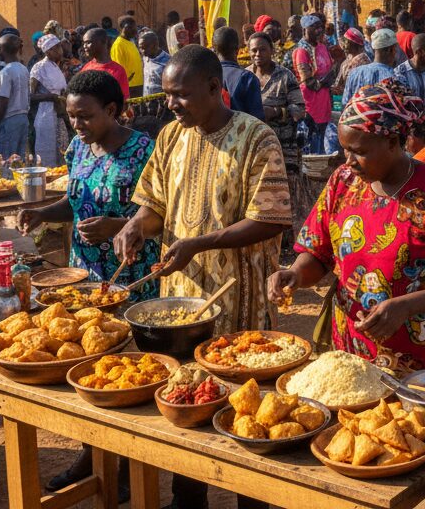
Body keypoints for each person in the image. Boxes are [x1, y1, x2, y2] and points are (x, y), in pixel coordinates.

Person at [115, 47, 290, 509]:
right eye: (168, 94)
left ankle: (250, 500)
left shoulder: (258, 138)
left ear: (215, 89)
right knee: (186, 404)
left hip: (240, 306)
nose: (171, 104)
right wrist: (136, 224)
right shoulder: (171, 136)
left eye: (181, 95)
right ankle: (187, 498)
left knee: (244, 413)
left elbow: (271, 220)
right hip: (179, 304)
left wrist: (200, 242)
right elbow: (154, 204)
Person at [270, 79, 425, 371]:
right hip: (351, 354)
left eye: (359, 151)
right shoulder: (342, 182)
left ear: (393, 142)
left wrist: (407, 305)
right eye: (345, 149)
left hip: (422, 361)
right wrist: (295, 273)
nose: (349, 161)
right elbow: (318, 254)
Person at [16, 70, 162, 498]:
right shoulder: (79, 147)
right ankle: (93, 455)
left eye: (85, 116)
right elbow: (77, 202)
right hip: (87, 279)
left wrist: (118, 225)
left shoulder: (143, 152)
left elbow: (160, 214)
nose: (76, 125)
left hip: (131, 277)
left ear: (113, 111)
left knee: (130, 376)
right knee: (90, 367)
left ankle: (128, 468)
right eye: (71, 116)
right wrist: (45, 212)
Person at [248, 32, 309, 244]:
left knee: (287, 191)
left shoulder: (285, 77)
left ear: (271, 51)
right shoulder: (247, 77)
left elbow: (299, 110)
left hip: (284, 145)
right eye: (253, 50)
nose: (257, 54)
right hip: (256, 147)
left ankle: (291, 240)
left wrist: (275, 112)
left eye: (262, 49)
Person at [293, 15, 335, 153]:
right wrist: (326, 81)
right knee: (311, 139)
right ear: (305, 29)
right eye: (315, 27)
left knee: (322, 138)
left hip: (324, 101)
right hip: (311, 102)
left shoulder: (322, 47)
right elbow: (309, 82)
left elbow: (330, 69)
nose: (319, 30)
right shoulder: (302, 51)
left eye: (320, 27)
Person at [0, 33, 30, 163]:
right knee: (19, 162)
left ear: (1, 50)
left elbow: (3, 102)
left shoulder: (5, 72)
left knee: (6, 162)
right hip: (23, 119)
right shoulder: (24, 69)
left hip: (9, 121)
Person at [29, 34, 69, 166]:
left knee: (62, 153)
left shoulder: (56, 67)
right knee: (46, 156)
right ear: (48, 51)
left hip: (59, 115)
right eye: (56, 48)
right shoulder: (39, 67)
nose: (60, 51)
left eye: (60, 47)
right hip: (44, 115)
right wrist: (50, 97)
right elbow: (30, 96)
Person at [212, 27, 264, 120]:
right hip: (242, 133)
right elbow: (257, 120)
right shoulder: (247, 78)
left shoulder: (205, 77)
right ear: (237, 49)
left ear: (214, 50)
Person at [342, 28, 399, 106]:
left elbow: (345, 104)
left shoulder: (354, 73)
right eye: (396, 48)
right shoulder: (395, 77)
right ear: (391, 50)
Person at [79, 27, 130, 101]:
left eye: (88, 42)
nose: (84, 46)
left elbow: (124, 100)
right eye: (84, 43)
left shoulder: (118, 71)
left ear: (103, 42)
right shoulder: (86, 67)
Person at [110, 16, 144, 93]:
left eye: (135, 27)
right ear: (122, 28)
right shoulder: (118, 45)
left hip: (138, 84)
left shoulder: (130, 42)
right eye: (130, 27)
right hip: (129, 87)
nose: (134, 30)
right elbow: (118, 69)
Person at [138, 31, 169, 97]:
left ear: (155, 45)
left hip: (161, 103)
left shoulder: (168, 62)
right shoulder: (145, 58)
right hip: (147, 102)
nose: (143, 51)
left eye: (145, 47)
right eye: (140, 48)